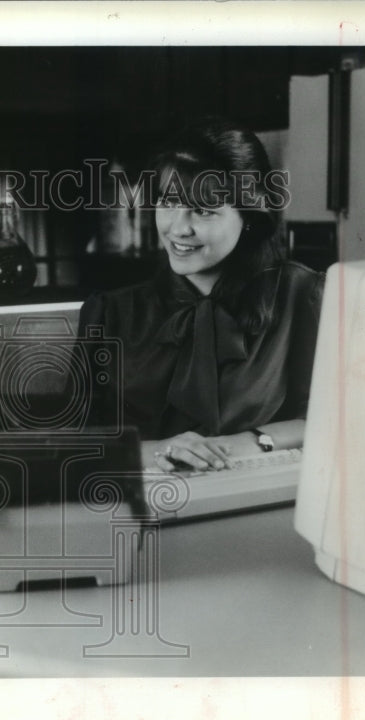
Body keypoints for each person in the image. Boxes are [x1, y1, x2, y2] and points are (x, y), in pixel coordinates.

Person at [78, 116, 324, 473]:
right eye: (169, 202)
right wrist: (161, 450)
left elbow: (332, 419)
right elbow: (75, 443)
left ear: (249, 215)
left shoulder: (303, 296)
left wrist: (250, 441)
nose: (179, 228)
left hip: (260, 506)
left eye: (204, 210)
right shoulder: (111, 312)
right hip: (137, 511)